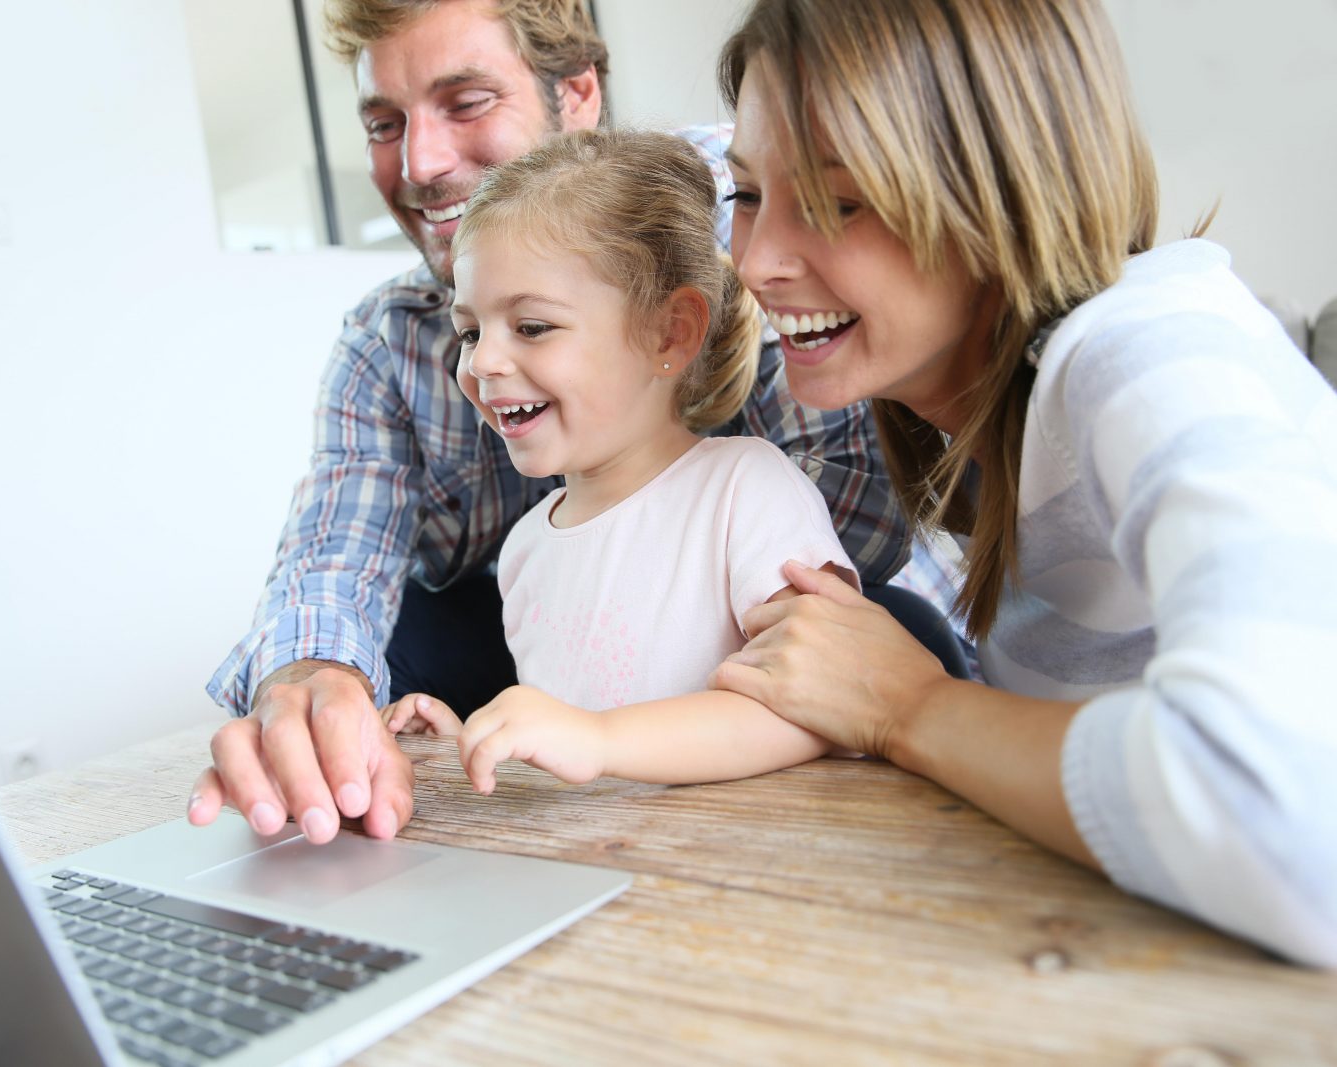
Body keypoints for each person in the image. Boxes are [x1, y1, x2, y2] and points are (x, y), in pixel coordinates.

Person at [189, 0, 911, 846]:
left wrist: (605, 735)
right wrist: (459, 731)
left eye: (465, 102)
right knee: (414, 627)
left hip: (767, 786)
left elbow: (813, 680)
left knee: (898, 626)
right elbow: (341, 562)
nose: (420, 162)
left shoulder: (746, 246)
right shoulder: (523, 537)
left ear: (576, 95)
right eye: (384, 122)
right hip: (604, 831)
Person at [708, 0, 1337, 966]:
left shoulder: (1142, 354)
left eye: (840, 202)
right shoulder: (964, 413)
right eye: (748, 193)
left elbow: (1290, 822)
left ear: (996, 192)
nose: (755, 261)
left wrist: (904, 707)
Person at [382, 128, 857, 792]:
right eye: (470, 331)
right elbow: (580, 759)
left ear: (670, 332)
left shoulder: (746, 491)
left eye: (532, 326)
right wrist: (480, 739)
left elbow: (819, 705)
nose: (482, 361)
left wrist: (598, 740)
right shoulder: (524, 550)